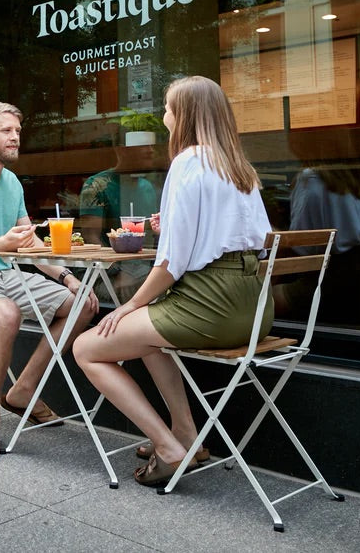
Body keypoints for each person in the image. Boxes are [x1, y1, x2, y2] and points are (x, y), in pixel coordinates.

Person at [72, 76, 272, 486]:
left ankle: (167, 445)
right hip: (254, 310)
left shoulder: (187, 162)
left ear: (185, 115)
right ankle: (186, 433)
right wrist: (176, 234)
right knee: (146, 336)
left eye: (167, 107)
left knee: (86, 348)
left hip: (209, 306)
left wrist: (129, 304)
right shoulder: (240, 167)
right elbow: (255, 242)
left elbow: (171, 265)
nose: (164, 115)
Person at [0, 101, 99, 461]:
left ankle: (23, 389)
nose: (15, 138)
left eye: (17, 132)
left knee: (81, 304)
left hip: (6, 275)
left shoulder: (10, 182)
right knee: (6, 314)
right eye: (7, 131)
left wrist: (68, 276)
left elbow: (31, 243)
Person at [274, 133, 360, 325]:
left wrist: (277, 233)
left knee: (261, 301)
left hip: (328, 278)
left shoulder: (310, 178)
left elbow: (302, 244)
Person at [79, 133, 163, 301]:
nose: (150, 151)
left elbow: (151, 235)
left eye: (151, 146)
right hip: (104, 273)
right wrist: (117, 271)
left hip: (142, 269)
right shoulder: (96, 186)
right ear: (122, 151)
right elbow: (91, 237)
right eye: (143, 146)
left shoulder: (147, 187)